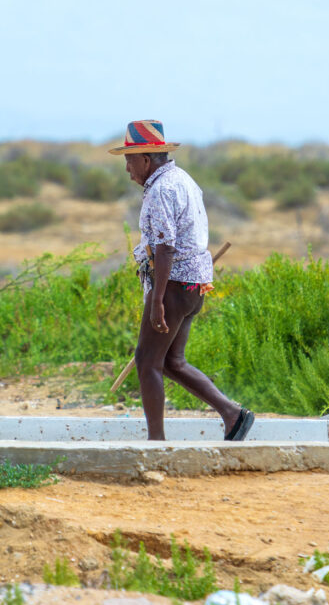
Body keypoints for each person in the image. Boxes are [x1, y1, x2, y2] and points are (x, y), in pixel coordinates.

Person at [109, 119, 254, 442]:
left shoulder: (161, 189)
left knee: (147, 361)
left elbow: (166, 247)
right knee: (172, 362)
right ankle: (233, 415)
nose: (128, 169)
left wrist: (157, 301)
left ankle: (156, 444)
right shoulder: (182, 179)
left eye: (129, 160)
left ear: (146, 159)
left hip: (174, 286)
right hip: (192, 286)